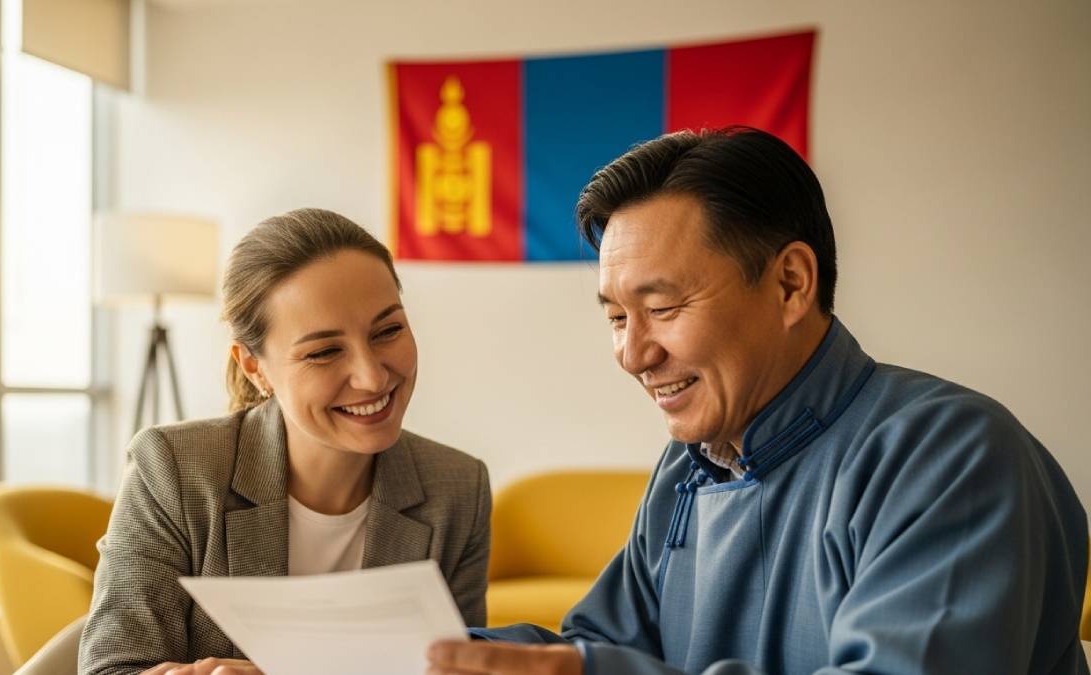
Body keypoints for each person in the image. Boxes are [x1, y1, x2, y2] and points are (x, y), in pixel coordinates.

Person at [427, 128, 1088, 675]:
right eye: (617, 317)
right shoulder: (690, 466)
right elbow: (605, 644)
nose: (632, 354)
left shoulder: (952, 455)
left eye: (660, 308)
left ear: (792, 284)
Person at [80, 208, 491, 675]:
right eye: (323, 352)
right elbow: (112, 668)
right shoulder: (175, 470)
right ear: (255, 367)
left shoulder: (458, 488)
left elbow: (464, 668)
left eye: (388, 330)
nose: (373, 376)